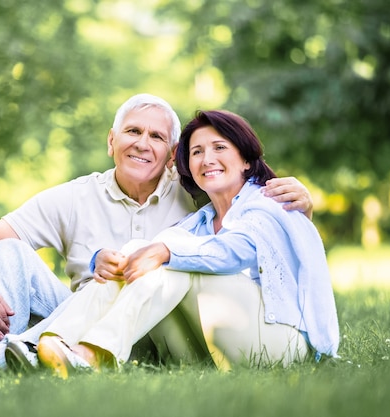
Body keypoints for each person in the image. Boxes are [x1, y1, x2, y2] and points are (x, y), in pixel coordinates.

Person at [0, 94, 314, 371]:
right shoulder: (78, 196)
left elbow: (257, 229)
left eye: (157, 137)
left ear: (169, 154)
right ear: (112, 140)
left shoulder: (203, 193)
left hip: (171, 330)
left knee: (162, 256)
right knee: (6, 250)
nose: (143, 144)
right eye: (132, 132)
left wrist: (303, 207)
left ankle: (17, 353)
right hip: (85, 320)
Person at [36, 109, 339, 378]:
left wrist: (166, 252)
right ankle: (50, 344)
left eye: (219, 147)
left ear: (246, 160)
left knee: (174, 261)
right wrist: (101, 259)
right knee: (142, 253)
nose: (207, 159)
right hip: (218, 352)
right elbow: (149, 252)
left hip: (284, 347)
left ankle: (93, 354)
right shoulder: (200, 222)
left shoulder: (269, 202)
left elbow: (235, 251)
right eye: (196, 152)